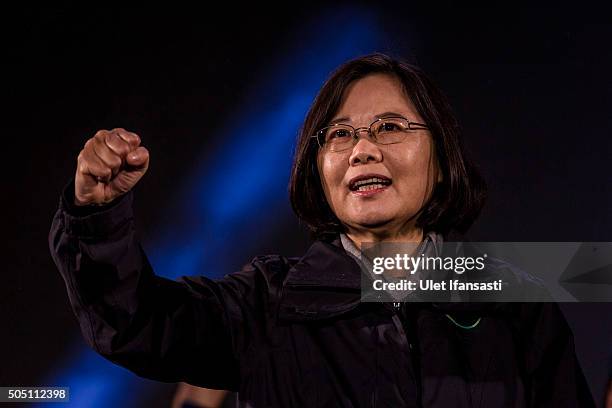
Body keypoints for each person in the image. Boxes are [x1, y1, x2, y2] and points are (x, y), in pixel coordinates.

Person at [49, 54, 595, 407]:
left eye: (389, 127)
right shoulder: (264, 306)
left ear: (443, 153)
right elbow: (133, 321)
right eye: (338, 135)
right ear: (319, 170)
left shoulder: (516, 302)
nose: (362, 148)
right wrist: (96, 216)